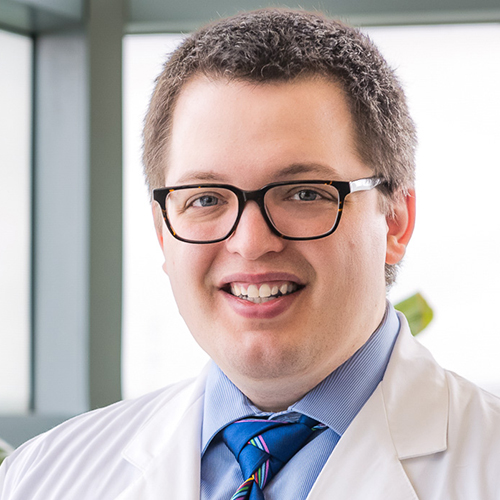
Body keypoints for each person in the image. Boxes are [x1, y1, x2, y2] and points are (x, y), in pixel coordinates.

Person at [1, 8, 500, 500]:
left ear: (395, 220)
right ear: (162, 233)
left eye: (304, 192)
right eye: (206, 199)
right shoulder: (42, 479)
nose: (251, 242)